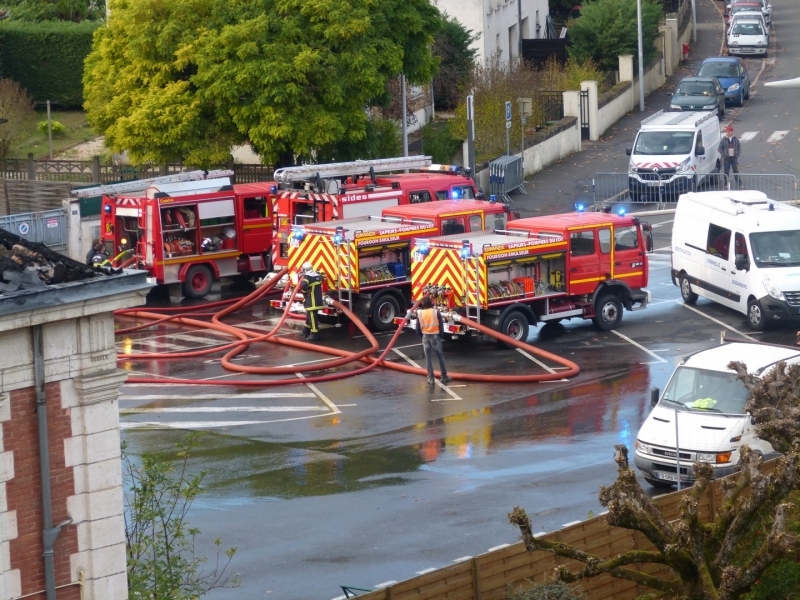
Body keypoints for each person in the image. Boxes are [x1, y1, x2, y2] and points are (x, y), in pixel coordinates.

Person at [414, 295, 453, 386]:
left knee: (428, 358)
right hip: (435, 336)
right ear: (431, 303)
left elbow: (417, 329)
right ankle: (444, 376)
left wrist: (422, 336)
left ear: (423, 304)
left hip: (425, 336)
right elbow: (441, 326)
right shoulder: (436, 312)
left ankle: (431, 379)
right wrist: (440, 335)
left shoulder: (420, 313)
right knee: (440, 356)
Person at [300, 261, 324, 341]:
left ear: (304, 270)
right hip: (317, 301)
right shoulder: (317, 276)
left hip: (311, 301)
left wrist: (305, 292)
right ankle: (305, 331)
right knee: (309, 316)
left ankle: (315, 335)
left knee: (313, 318)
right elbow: (322, 278)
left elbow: (303, 285)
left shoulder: (307, 277)